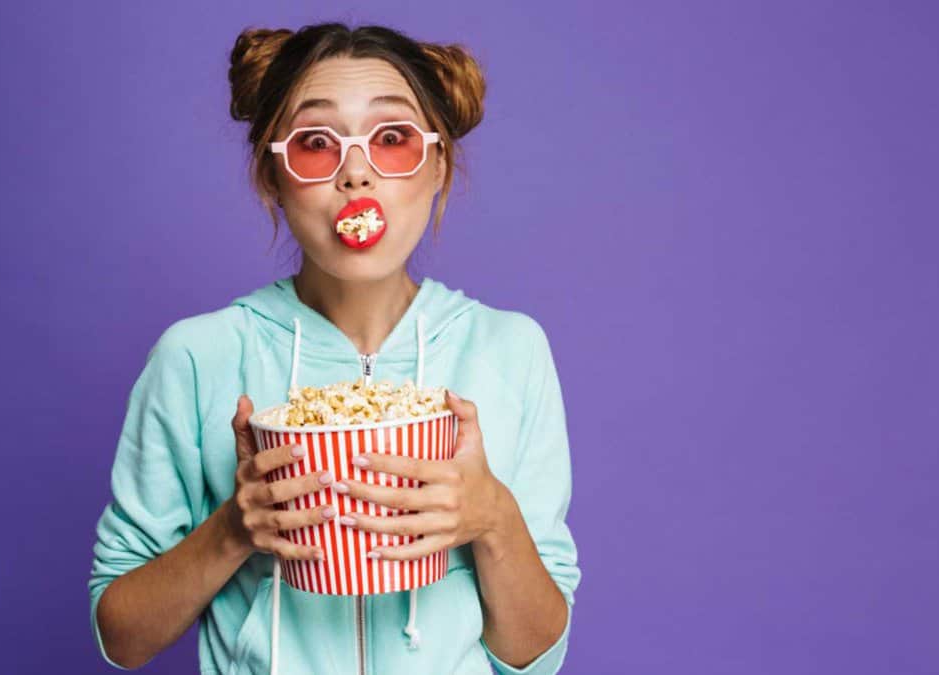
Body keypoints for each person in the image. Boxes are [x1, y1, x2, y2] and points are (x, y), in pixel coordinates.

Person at [88, 22, 580, 674]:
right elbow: (122, 635)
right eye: (316, 144)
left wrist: (492, 518)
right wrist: (235, 528)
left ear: (437, 166)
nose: (356, 174)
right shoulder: (196, 357)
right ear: (273, 174)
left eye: (392, 139)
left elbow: (537, 654)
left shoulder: (509, 349)